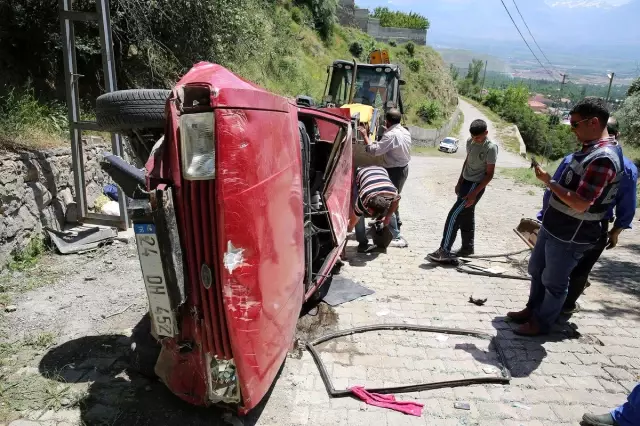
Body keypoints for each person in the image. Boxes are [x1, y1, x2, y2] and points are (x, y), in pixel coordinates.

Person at [508, 97, 623, 336]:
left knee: (554, 282)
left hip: (572, 233)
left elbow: (581, 203)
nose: (572, 130)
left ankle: (541, 323)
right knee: (537, 270)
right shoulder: (589, 150)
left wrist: (549, 182)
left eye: (575, 124)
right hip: (554, 226)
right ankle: (531, 310)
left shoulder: (603, 158)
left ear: (593, 122)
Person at [536, 117, 638, 314]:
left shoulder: (580, 158)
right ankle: (564, 308)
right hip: (596, 227)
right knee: (580, 271)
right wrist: (616, 231)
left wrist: (544, 216)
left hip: (562, 224)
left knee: (551, 271)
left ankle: (544, 312)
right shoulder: (627, 168)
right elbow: (627, 204)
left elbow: (553, 190)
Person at [427, 119, 498, 262]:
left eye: (478, 137)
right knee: (467, 215)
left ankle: (444, 250)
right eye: (473, 137)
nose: (475, 140)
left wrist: (474, 193)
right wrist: (459, 181)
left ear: (486, 133)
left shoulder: (491, 148)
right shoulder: (470, 142)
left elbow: (489, 174)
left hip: (475, 186)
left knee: (454, 215)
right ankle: (467, 248)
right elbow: (467, 161)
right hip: (465, 183)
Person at [358, 108, 411, 237]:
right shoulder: (404, 131)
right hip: (403, 168)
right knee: (393, 198)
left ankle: (393, 231)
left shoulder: (390, 135)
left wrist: (365, 135)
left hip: (394, 171)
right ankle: (389, 224)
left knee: (389, 200)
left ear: (387, 121)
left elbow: (374, 151)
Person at [347, 165, 403, 252]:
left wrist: (387, 216)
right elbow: (354, 219)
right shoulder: (363, 198)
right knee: (359, 217)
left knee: (390, 212)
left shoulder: (393, 193)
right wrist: (349, 229)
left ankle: (395, 236)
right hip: (362, 171)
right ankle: (362, 243)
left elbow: (396, 202)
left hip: (381, 170)